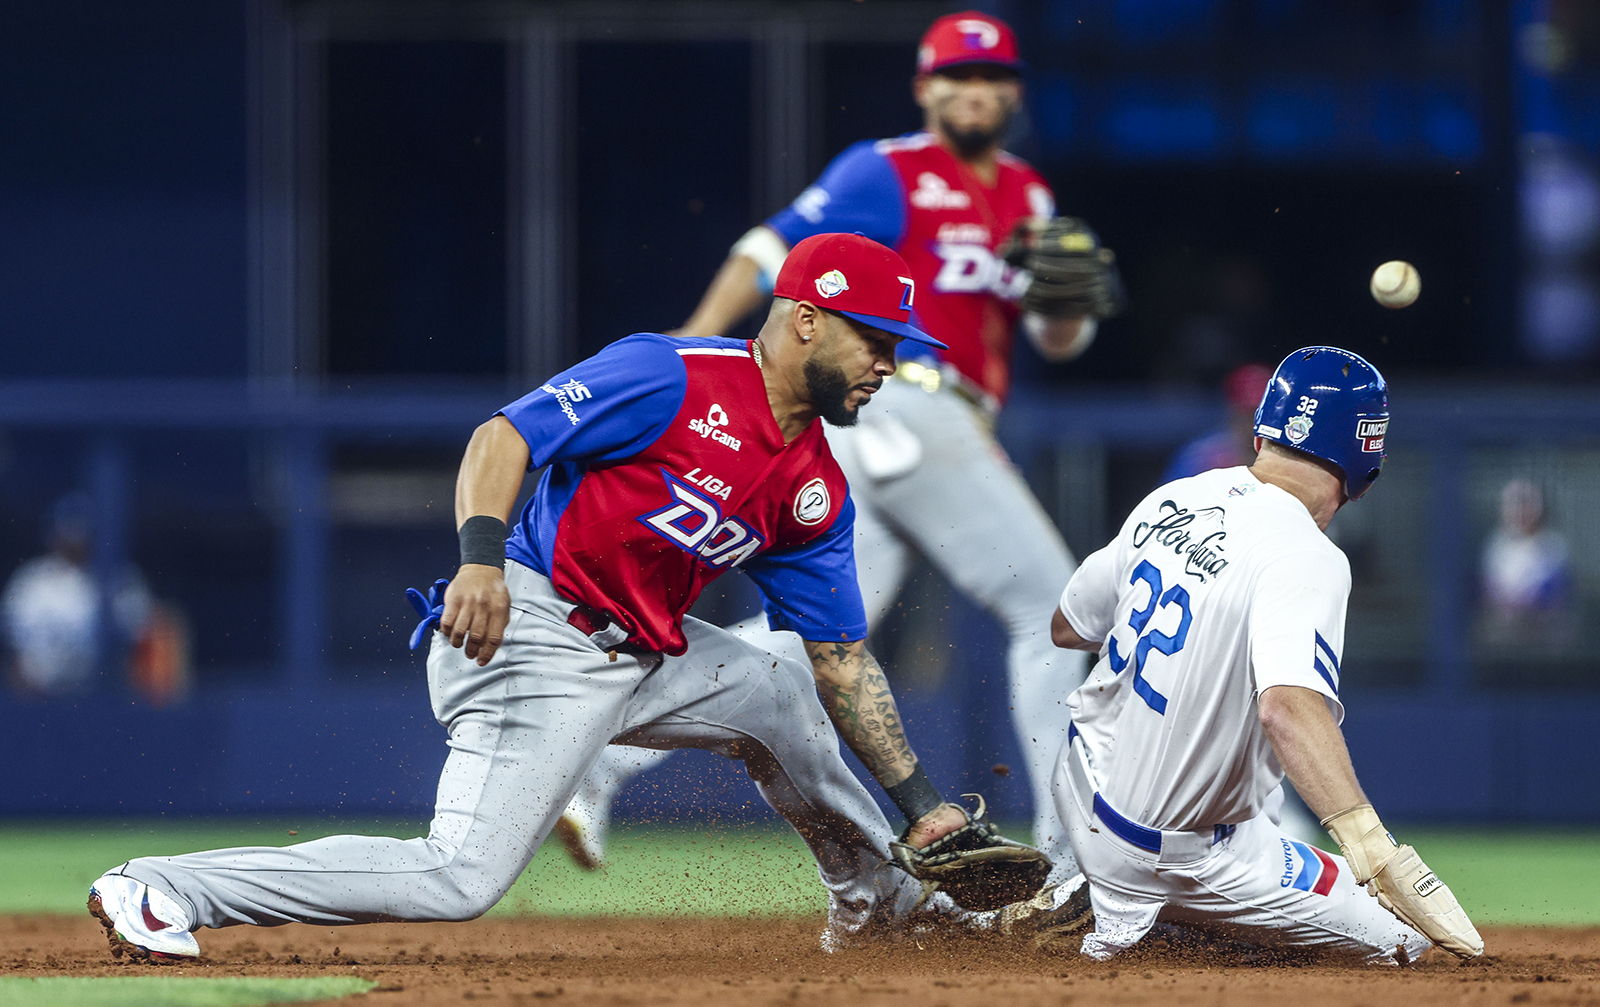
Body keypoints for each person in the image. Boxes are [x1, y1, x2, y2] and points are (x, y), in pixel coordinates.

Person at [87, 234, 993, 962]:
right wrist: (478, 560)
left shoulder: (816, 489)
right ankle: (166, 886)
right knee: (458, 877)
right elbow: (501, 437)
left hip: (649, 652)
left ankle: (886, 904)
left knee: (784, 687)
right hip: (531, 631)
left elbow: (839, 659)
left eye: (896, 345)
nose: (889, 362)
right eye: (873, 338)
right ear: (803, 320)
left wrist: (922, 802)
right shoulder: (671, 374)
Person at [557, 9, 1120, 880]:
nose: (975, 90)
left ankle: (595, 758)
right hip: (911, 408)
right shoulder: (888, 169)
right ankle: (1070, 855)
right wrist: (698, 337)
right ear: (925, 87)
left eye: (993, 77)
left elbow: (1051, 338)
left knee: (814, 637)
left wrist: (1070, 310)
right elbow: (767, 250)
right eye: (957, 76)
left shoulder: (1027, 195)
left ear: (1013, 92)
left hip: (911, 427)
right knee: (1052, 614)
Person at [997, 347, 1483, 962]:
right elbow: (1287, 709)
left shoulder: (1180, 494)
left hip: (1080, 787)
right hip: (1172, 852)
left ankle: (1098, 890)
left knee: (1257, 787)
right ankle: (1146, 929)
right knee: (1406, 943)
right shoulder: (1308, 554)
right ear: (1368, 454)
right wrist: (1371, 845)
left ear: (1262, 429)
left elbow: (1067, 626)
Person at [2, 492, 152, 696]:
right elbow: (15, 651)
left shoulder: (120, 578)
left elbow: (142, 643)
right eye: (67, 529)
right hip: (40, 696)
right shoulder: (31, 581)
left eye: (81, 530)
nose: (74, 539)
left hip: (99, 697)